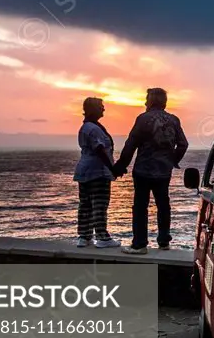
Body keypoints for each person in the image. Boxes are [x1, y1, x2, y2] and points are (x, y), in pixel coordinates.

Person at [113, 88, 189, 254]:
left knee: (140, 206)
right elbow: (183, 144)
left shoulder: (143, 119)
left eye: (146, 99)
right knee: (163, 204)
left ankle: (140, 244)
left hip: (143, 170)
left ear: (151, 100)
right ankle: (164, 242)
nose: (145, 102)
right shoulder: (174, 120)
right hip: (164, 170)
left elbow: (130, 144)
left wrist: (120, 166)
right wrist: (172, 160)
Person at [73, 97, 121, 248]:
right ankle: (102, 237)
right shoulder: (93, 129)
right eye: (101, 106)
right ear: (92, 109)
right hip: (97, 171)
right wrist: (112, 168)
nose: (103, 109)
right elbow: (99, 149)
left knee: (85, 204)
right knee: (99, 203)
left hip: (86, 170)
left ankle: (84, 236)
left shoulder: (87, 127)